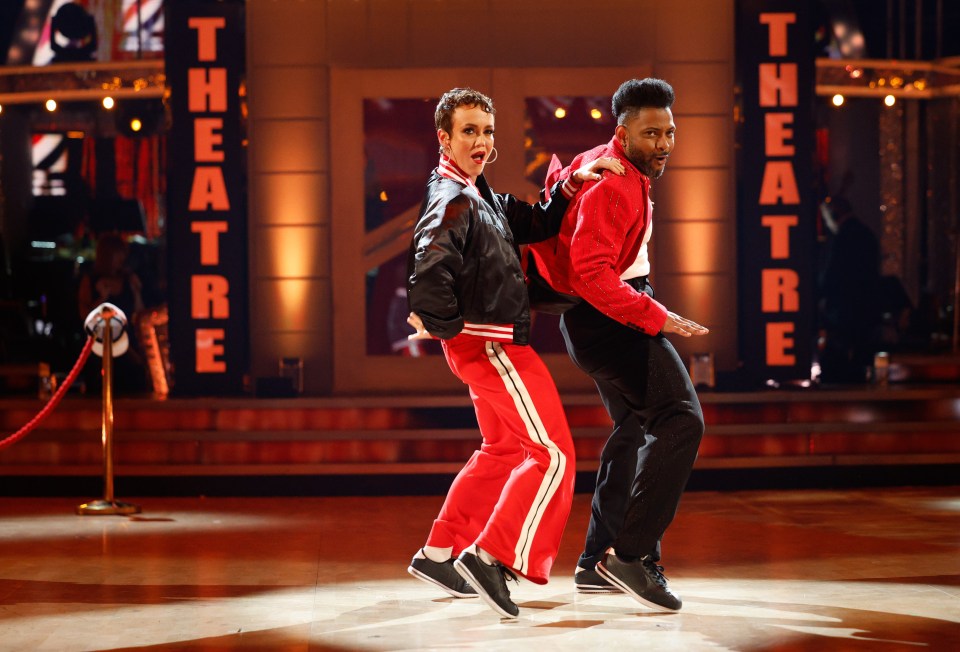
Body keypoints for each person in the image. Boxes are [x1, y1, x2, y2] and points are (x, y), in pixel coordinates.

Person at [405, 87, 623, 619]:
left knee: (504, 450)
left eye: (487, 130)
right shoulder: (453, 200)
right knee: (551, 455)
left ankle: (439, 553)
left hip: (486, 343)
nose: (481, 141)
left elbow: (534, 221)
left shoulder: (474, 193)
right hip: (492, 345)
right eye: (469, 131)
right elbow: (429, 269)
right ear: (445, 138)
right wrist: (448, 325)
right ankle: (493, 557)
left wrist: (571, 185)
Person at [527, 78, 708, 612]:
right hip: (611, 320)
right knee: (680, 420)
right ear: (622, 135)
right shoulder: (615, 185)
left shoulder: (601, 161)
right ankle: (629, 557)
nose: (664, 143)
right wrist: (659, 317)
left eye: (670, 132)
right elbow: (590, 274)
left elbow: (558, 186)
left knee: (634, 428)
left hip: (598, 321)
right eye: (651, 133)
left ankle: (594, 561)